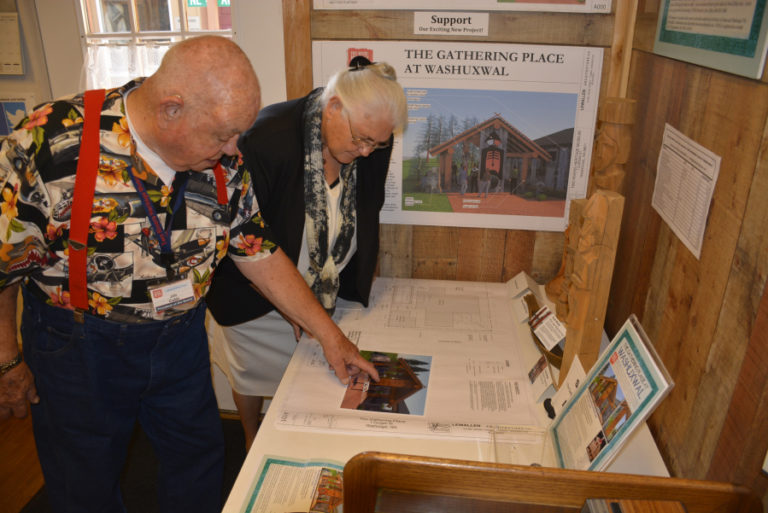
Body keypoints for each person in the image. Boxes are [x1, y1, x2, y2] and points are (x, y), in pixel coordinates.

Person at [0, 36, 377, 513]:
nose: (233, 149)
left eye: (238, 134)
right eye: (222, 135)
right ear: (170, 109)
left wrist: (331, 338)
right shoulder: (50, 142)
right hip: (80, 349)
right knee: (85, 478)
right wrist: (7, 362)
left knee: (198, 459)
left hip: (179, 339)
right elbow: (3, 263)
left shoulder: (224, 157)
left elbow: (255, 249)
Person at [206, 57, 407, 448]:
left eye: (377, 144)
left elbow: (367, 205)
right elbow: (245, 240)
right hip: (253, 293)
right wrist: (286, 304)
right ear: (333, 107)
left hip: (325, 287)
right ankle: (251, 433)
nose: (368, 152)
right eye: (361, 139)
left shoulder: (372, 136)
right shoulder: (267, 140)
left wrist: (360, 270)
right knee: (248, 372)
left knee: (310, 379)